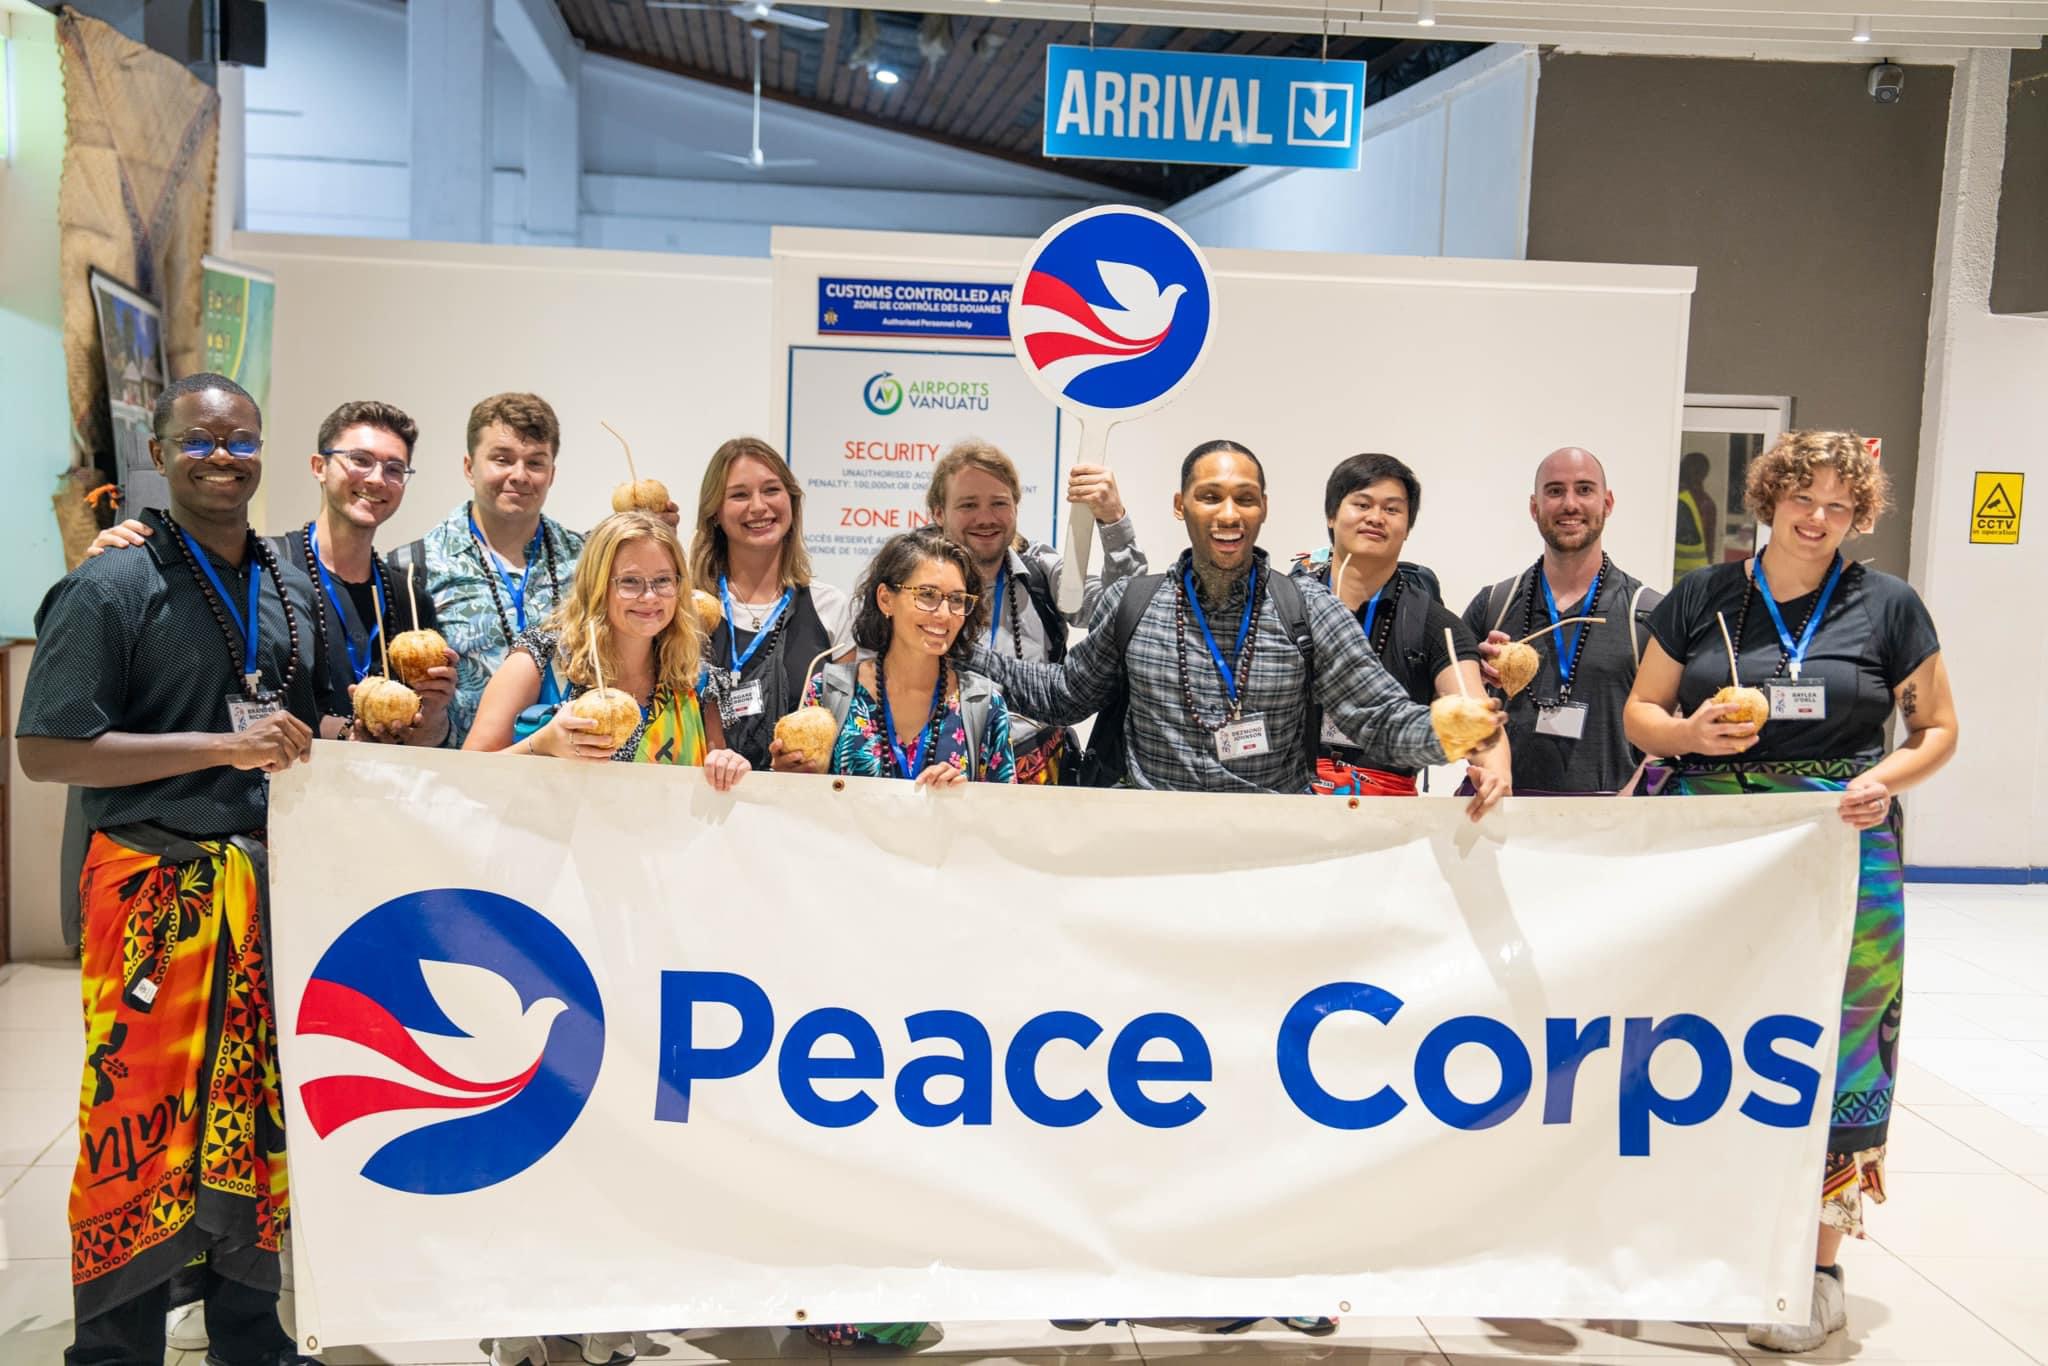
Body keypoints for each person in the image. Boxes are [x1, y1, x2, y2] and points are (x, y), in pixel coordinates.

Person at [16, 373, 333, 1366]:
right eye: (198, 441)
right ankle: (112, 1350)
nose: (222, 457)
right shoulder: (114, 581)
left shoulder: (283, 583)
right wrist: (218, 749)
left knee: (252, 1119)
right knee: (138, 1124)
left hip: (258, 892)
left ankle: (249, 1336)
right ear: (161, 452)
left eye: (240, 440)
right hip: (151, 892)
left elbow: (299, 716)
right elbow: (47, 749)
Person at [1623, 430, 1958, 1356]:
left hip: (1838, 844)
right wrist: (1688, 734)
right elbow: (1640, 715)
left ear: (1860, 516)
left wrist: (1887, 777)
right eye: (1801, 498)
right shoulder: (1704, 597)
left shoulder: (1888, 605)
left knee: (1840, 1045)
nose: (1818, 519)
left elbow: (1936, 728)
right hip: (1712, 850)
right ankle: (1703, 1241)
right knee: (1700, 1032)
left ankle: (1815, 1269)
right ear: (1767, 499)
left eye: (1839, 507)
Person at [969, 440, 1491, 801]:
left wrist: (1450, 731)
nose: (1227, 514)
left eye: (1245, 498)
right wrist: (961, 651)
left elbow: (1379, 718)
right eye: (1210, 497)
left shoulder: (1309, 610)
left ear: (1264, 507)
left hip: (1269, 860)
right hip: (1150, 856)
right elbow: (1064, 695)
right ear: (1181, 506)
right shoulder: (1134, 604)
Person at [83, 399, 460, 747]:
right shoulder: (260, 569)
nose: (377, 478)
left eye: (394, 468)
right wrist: (128, 551)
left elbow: (426, 737)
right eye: (359, 459)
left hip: (371, 804)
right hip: (265, 799)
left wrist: (436, 714)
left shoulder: (408, 596)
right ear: (319, 467)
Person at [464, 511, 748, 789]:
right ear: (596, 585)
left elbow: (713, 782)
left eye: (663, 580)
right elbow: (465, 774)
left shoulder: (697, 681)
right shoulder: (542, 659)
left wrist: (727, 766)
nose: (649, 597)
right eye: (630, 581)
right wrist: (541, 743)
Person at [1293, 453, 1509, 818]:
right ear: (1331, 515)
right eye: (1361, 504)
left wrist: (1496, 772)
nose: (1375, 517)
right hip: (1285, 804)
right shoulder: (1285, 606)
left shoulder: (1436, 625)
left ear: (1407, 527)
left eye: (1392, 509)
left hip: (1389, 821)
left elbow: (1473, 710)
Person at [924, 439, 1149, 783]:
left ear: (1015, 507)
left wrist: (1113, 520)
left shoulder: (1043, 574)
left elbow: (1123, 607)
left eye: (999, 503)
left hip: (1039, 773)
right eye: (968, 504)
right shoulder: (908, 585)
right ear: (938, 512)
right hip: (933, 772)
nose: (985, 518)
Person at [1461, 447, 1662, 795]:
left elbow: (1670, 720)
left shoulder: (1647, 612)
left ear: (1608, 503)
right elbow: (1450, 712)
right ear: (1534, 507)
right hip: (1503, 812)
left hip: (1607, 819)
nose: (1570, 504)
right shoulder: (1493, 604)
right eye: (1555, 491)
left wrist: (1634, 796)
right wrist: (1472, 679)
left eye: (1584, 489)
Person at [400, 393, 585, 746]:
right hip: (456, 781)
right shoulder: (414, 567)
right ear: (469, 467)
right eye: (502, 459)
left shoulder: (588, 562)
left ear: (552, 474)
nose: (519, 475)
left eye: (535, 463)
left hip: (570, 780)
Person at [779, 529, 1015, 786]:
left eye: (957, 599)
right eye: (927, 595)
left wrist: (963, 799)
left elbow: (1003, 816)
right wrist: (787, 776)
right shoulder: (828, 692)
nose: (945, 614)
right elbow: (803, 805)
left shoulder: (984, 704)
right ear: (885, 599)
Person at [689, 437, 851, 770]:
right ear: (714, 512)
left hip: (801, 808)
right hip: (703, 806)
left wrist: (814, 766)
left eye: (772, 490)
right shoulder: (689, 609)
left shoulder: (831, 608)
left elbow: (850, 727)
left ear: (791, 501)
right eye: (739, 494)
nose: (759, 506)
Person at [1674, 449, 1717, 577]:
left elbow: (1709, 544)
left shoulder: (1681, 500)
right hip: (1698, 576)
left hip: (1681, 578)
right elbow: (1710, 547)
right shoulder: (1707, 502)